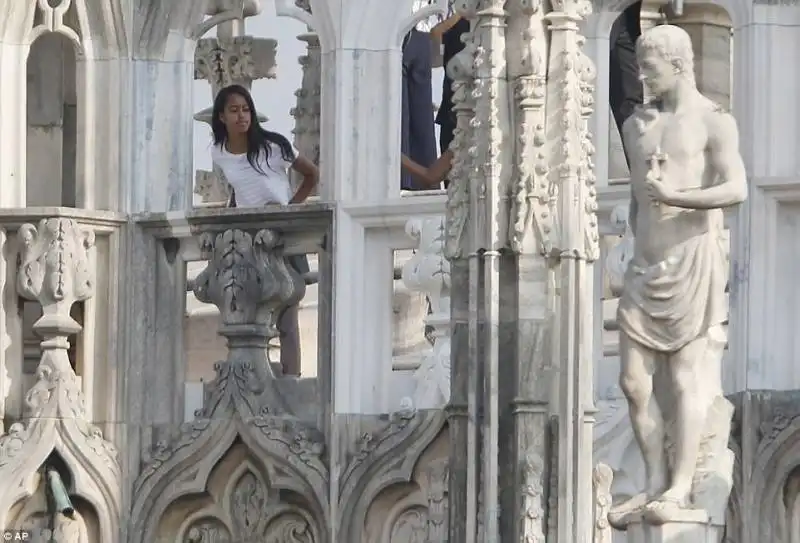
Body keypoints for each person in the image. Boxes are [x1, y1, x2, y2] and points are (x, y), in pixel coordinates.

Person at [610, 25, 746, 525]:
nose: (642, 75)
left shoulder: (714, 121)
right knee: (632, 382)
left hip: (693, 260)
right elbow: (634, 199)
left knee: (689, 379)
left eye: (651, 67)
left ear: (680, 64)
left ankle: (683, 486)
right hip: (645, 267)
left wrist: (678, 199)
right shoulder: (635, 125)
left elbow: (736, 188)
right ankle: (652, 481)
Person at [210, 84, 319, 376]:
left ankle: (291, 379)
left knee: (287, 316)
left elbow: (311, 175)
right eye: (234, 110)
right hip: (247, 236)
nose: (241, 116)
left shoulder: (275, 146)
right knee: (245, 312)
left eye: (246, 110)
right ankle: (249, 375)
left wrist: (291, 209)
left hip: (280, 233)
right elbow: (239, 187)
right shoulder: (219, 151)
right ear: (221, 117)